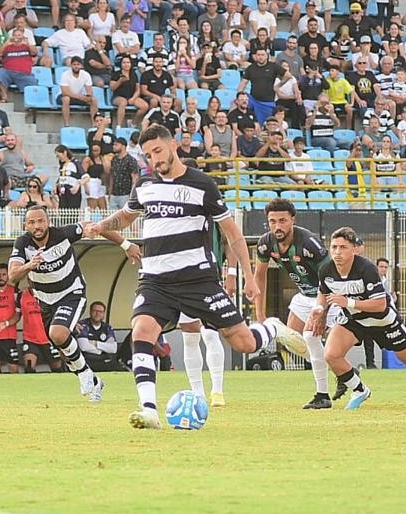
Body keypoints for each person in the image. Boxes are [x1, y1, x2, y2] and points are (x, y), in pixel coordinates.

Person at [84, 124, 306, 429]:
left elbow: (233, 234)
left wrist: (249, 277)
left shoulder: (203, 185)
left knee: (243, 343)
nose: (154, 159)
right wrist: (101, 225)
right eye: (148, 155)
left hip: (198, 281)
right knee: (142, 331)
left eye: (158, 151)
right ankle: (149, 409)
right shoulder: (145, 184)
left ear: (173, 145)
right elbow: (125, 216)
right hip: (156, 281)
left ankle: (271, 328)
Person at [305, 227, 406, 411]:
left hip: (383, 321)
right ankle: (359, 389)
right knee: (331, 355)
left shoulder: (366, 268)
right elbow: (323, 294)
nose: (337, 252)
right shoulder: (326, 269)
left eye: (343, 247)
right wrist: (318, 312)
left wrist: (348, 302)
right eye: (334, 247)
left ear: (354, 249)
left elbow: (380, 304)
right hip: (354, 320)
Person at [8, 205, 125, 402]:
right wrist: (29, 265)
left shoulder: (62, 234)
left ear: (48, 222)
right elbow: (12, 275)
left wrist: (126, 245)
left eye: (40, 221)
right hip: (45, 301)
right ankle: (93, 380)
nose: (37, 226)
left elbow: (95, 227)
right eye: (32, 222)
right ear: (25, 225)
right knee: (59, 341)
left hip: (72, 293)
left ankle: (85, 376)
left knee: (58, 333)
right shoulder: (22, 243)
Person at [251, 199, 335, 409]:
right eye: (272, 221)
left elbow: (330, 276)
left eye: (282, 221)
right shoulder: (265, 243)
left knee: (329, 347)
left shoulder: (308, 242)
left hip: (327, 295)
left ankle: (339, 376)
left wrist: (322, 309)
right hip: (303, 296)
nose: (277, 226)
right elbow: (259, 277)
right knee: (291, 340)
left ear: (292, 220)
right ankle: (337, 370)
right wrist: (260, 316)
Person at [76, 302, 119, 372]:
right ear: (90, 312)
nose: (97, 314)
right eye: (95, 311)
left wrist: (95, 343)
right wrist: (102, 350)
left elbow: (113, 349)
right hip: (86, 361)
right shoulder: (83, 325)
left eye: (100, 311)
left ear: (104, 314)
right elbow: (83, 347)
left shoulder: (107, 327)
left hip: (103, 361)